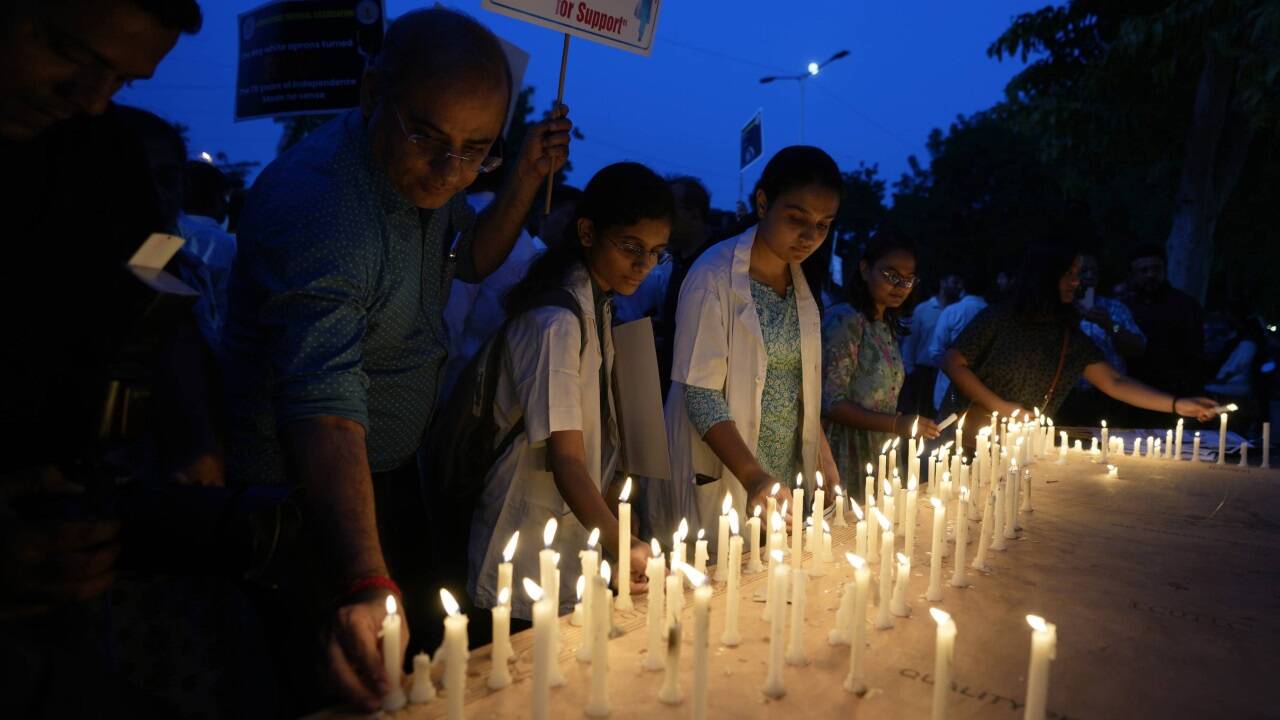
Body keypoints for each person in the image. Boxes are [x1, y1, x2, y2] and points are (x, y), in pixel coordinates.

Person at [220, 8, 571, 712]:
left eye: (478, 149)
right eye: (431, 138)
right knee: (338, 682)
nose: (451, 170)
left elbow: (470, 258)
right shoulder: (325, 210)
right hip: (303, 497)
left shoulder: (422, 175)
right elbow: (324, 405)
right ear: (371, 93)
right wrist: (363, 580)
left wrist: (525, 175)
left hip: (389, 472)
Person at [0, 0, 202, 715]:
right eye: (70, 52)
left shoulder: (102, 152)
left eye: (121, 81)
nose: (88, 99)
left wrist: (185, 436)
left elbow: (151, 304)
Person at [469, 162, 671, 620]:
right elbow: (566, 459)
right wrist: (623, 543)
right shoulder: (556, 323)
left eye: (657, 252)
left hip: (569, 537)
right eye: (631, 247)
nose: (644, 265)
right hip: (520, 541)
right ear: (587, 232)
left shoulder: (595, 307)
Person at [662, 146, 843, 548]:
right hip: (732, 471)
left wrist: (822, 458)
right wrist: (754, 476)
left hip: (778, 481)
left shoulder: (801, 286)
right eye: (797, 219)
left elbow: (799, 385)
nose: (810, 236)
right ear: (763, 203)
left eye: (823, 225)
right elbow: (701, 393)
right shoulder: (712, 277)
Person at [941, 243, 1218, 444]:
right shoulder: (999, 316)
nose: (1076, 282)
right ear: (1045, 277)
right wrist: (1005, 408)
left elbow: (1114, 382)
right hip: (966, 438)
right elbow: (953, 362)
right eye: (1069, 274)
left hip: (1016, 445)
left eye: (1078, 274)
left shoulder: (1068, 336)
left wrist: (1177, 405)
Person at [822, 230, 941, 499]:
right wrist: (898, 424)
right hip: (846, 450)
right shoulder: (845, 321)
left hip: (880, 448)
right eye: (891, 275)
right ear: (865, 269)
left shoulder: (885, 325)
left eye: (909, 279)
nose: (900, 286)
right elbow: (831, 402)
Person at [1056, 252, 1146, 425]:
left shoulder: (1114, 308)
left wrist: (1110, 325)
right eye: (1083, 271)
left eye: (1094, 272)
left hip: (1109, 399)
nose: (1089, 277)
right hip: (1065, 398)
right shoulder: (1057, 310)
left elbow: (1138, 349)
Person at [1122, 243, 1206, 426]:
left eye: (1156, 269)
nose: (1150, 275)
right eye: (1143, 270)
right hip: (1132, 393)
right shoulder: (1123, 306)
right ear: (1133, 274)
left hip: (1176, 392)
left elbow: (1196, 353)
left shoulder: (1185, 306)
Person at [900, 272, 963, 418]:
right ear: (943, 282)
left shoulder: (958, 311)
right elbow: (911, 342)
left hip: (946, 374)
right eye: (954, 282)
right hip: (923, 374)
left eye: (960, 283)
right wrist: (910, 371)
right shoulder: (924, 309)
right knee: (919, 414)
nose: (957, 287)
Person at [928, 269, 989, 414]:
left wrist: (951, 368)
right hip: (984, 393)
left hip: (948, 388)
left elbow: (935, 350)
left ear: (963, 287)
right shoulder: (992, 313)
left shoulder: (953, 311)